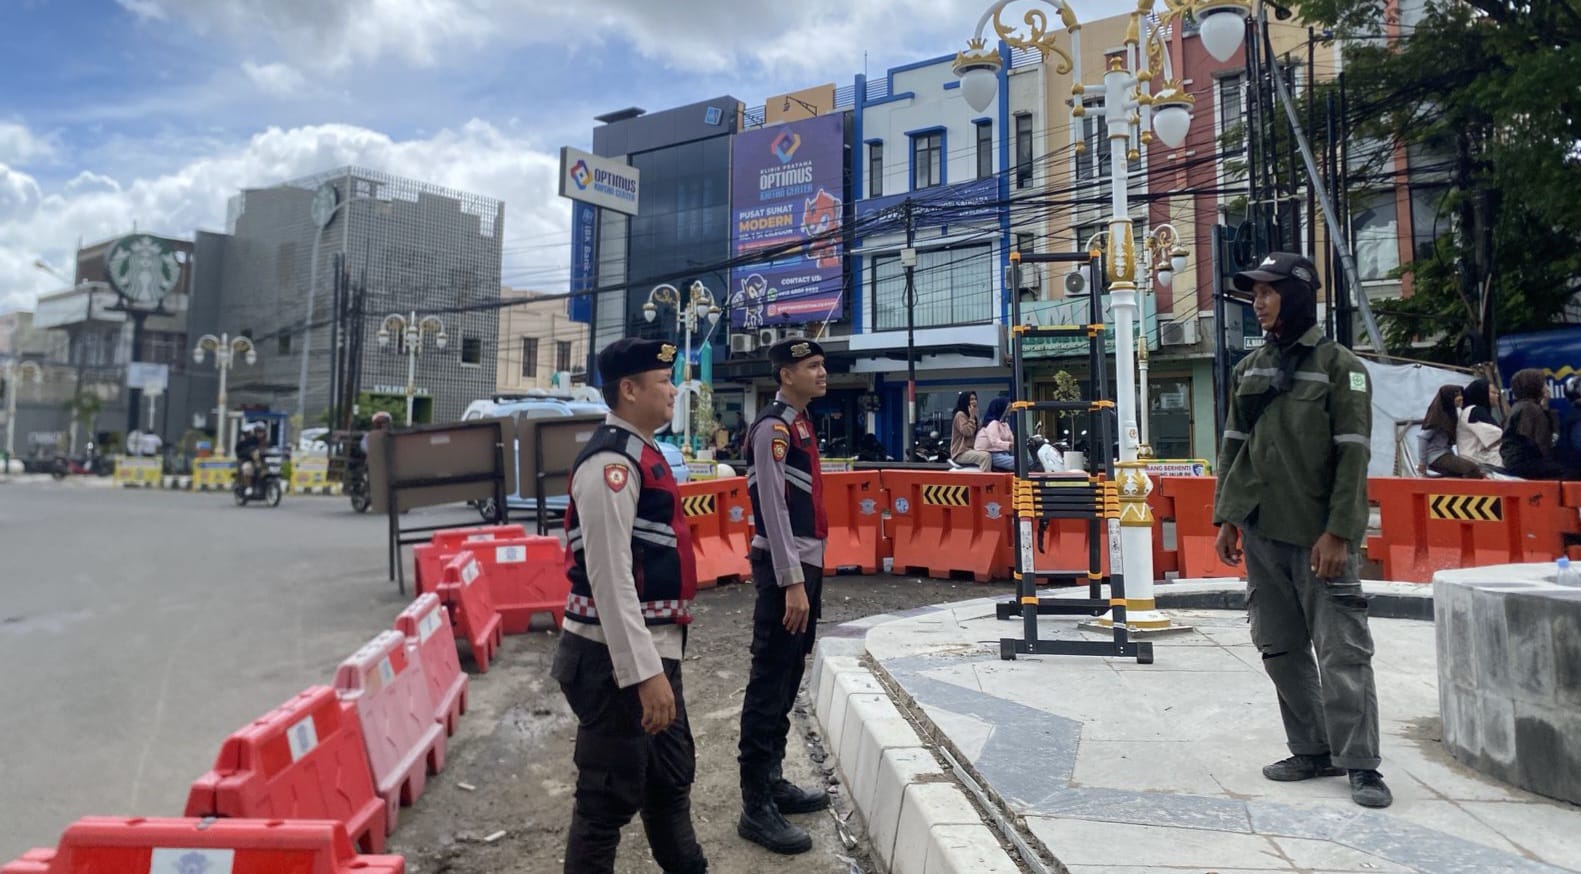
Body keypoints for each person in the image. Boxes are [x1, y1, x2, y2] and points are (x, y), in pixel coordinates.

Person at [1211, 251, 1392, 810]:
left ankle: (1361, 764)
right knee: (1279, 647)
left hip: (1319, 538)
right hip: (1262, 531)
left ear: (1295, 294)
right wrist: (1226, 517)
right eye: (1254, 294)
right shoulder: (1249, 369)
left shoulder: (1342, 368)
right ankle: (1312, 749)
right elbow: (1234, 446)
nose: (1258, 303)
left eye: (1268, 292)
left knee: (1342, 652)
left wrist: (1340, 532)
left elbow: (1353, 457)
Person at [552, 338, 708, 874]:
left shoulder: (642, 452)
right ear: (629, 389)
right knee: (605, 802)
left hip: (649, 652)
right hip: (610, 661)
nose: (673, 390)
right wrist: (644, 674)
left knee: (668, 782)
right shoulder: (610, 463)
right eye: (663, 381)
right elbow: (610, 579)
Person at [738, 338, 831, 855]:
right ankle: (755, 804)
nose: (822, 373)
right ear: (785, 375)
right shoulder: (772, 429)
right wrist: (792, 580)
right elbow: (771, 508)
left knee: (789, 674)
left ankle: (772, 781)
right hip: (784, 571)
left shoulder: (800, 424)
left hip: (805, 565)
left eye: (822, 365)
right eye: (811, 366)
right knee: (770, 678)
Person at [1500, 368, 1562, 480]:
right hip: (1526, 465)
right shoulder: (1530, 409)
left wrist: (1545, 408)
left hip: (1516, 463)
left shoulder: (1521, 406)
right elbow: (1543, 444)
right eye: (1544, 384)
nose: (1548, 388)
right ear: (1534, 386)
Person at [1417, 385, 1485, 478]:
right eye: (1457, 395)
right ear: (1448, 397)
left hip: (1445, 453)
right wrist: (1422, 462)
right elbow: (1422, 437)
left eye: (1460, 395)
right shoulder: (1438, 416)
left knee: (1459, 475)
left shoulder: (1450, 414)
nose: (1460, 397)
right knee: (1471, 468)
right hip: (1436, 456)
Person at [1456, 378, 1503, 468]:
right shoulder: (1475, 411)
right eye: (1493, 392)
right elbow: (1495, 435)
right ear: (1481, 394)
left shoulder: (1472, 411)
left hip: (1478, 461)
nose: (1497, 395)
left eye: (1497, 393)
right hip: (1479, 463)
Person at [949, 392, 992, 471]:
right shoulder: (960, 415)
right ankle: (985, 479)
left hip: (972, 450)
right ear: (965, 401)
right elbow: (967, 432)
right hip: (961, 452)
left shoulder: (973, 415)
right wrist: (972, 417)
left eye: (975, 399)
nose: (974, 401)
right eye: (971, 399)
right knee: (985, 456)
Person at [974, 397, 1017, 471]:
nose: (1010, 410)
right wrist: (1010, 444)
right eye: (1008, 407)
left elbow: (1011, 438)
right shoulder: (992, 423)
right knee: (1020, 462)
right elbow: (995, 442)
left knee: (1022, 460)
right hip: (992, 454)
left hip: (1003, 453)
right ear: (1001, 408)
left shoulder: (1005, 424)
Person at [235, 422, 266, 490]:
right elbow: (238, 452)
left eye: (248, 433)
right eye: (246, 433)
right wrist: (247, 453)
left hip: (259, 461)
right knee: (247, 469)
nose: (247, 434)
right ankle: (248, 487)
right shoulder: (242, 442)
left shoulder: (256, 440)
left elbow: (262, 449)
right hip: (246, 460)